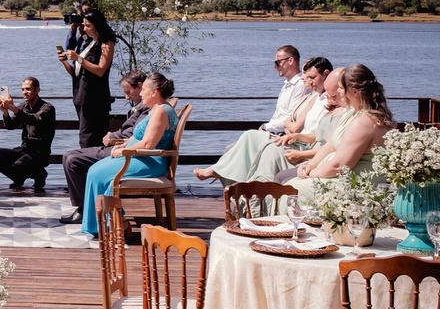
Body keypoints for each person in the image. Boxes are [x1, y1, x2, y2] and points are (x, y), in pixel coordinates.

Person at [193, 56, 333, 184]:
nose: (308, 81)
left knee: (252, 138)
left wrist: (294, 134)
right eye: (306, 77)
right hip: (295, 139)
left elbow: (306, 131)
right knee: (245, 138)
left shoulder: (330, 102)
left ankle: (220, 174)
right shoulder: (316, 97)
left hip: (301, 143)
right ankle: (233, 190)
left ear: (326, 74)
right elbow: (288, 122)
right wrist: (290, 130)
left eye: (312, 78)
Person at [80, 72, 180, 237]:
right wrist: (124, 143)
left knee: (99, 174)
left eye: (144, 90)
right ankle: (106, 223)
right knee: (94, 170)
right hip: (139, 156)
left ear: (154, 92)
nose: (140, 93)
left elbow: (148, 144)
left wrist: (124, 151)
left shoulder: (161, 111)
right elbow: (138, 136)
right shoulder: (155, 109)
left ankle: (115, 224)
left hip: (150, 160)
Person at [285, 64, 394, 200]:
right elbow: (329, 145)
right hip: (338, 178)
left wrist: (311, 173)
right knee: (288, 186)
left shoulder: (365, 122)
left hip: (357, 186)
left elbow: (339, 166)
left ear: (354, 92)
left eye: (341, 88)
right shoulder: (352, 113)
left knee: (288, 192)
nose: (339, 92)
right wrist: (310, 165)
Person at [60, 70, 148, 225]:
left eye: (128, 92)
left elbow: (136, 132)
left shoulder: (148, 109)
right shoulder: (142, 106)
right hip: (120, 146)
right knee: (68, 155)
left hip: (125, 152)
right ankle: (83, 206)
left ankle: (84, 208)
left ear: (140, 87)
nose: (126, 97)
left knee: (73, 160)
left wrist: (113, 137)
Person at [58, 9, 116, 148]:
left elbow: (101, 70)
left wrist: (78, 58)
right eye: (84, 25)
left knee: (90, 139)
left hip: (94, 99)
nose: (84, 29)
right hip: (80, 96)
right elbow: (76, 73)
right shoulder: (88, 43)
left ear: (98, 26)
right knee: (85, 137)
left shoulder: (106, 44)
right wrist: (65, 61)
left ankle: (90, 166)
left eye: (88, 26)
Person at [0, 77, 55, 192]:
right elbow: (10, 126)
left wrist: (12, 107)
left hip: (39, 154)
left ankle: (40, 175)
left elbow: (34, 119)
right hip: (24, 150)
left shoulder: (48, 108)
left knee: (20, 165)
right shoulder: (23, 106)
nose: (24, 92)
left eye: (28, 89)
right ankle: (19, 178)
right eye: (22, 89)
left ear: (37, 90)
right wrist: (5, 112)